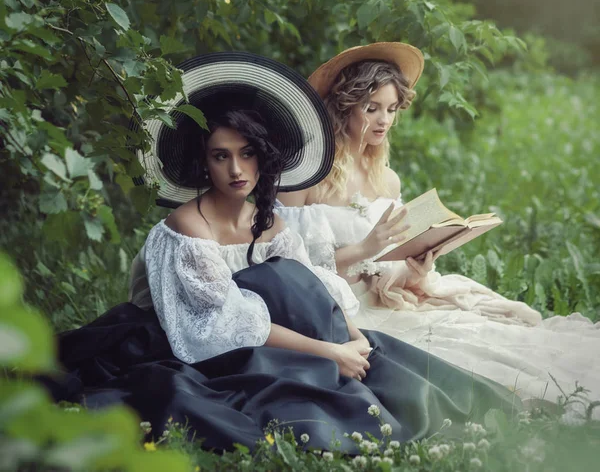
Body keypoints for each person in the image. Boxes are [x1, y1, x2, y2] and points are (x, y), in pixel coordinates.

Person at [44, 52, 520, 453]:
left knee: (359, 339)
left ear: (263, 156)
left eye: (247, 153)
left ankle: (435, 402)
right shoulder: (185, 227)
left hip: (275, 333)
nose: (236, 169)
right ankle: (348, 388)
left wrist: (353, 338)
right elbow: (226, 324)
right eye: (220, 155)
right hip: (207, 345)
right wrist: (329, 351)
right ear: (201, 161)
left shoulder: (270, 220)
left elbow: (314, 285)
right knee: (291, 334)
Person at [277, 42, 600, 411]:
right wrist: (367, 249)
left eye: (392, 109)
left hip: (389, 298)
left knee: (499, 340)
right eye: (372, 108)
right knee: (458, 360)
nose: (384, 120)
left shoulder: (388, 180)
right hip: (342, 313)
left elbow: (388, 261)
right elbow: (289, 273)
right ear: (343, 107)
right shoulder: (306, 177)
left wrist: (416, 266)